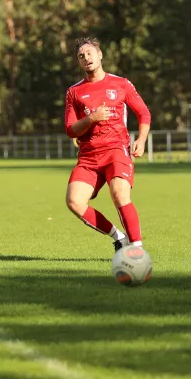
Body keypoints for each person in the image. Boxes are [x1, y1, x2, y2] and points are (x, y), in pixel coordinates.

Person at [65, 37, 151, 252]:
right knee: (74, 201)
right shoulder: (74, 92)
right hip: (88, 156)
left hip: (116, 150)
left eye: (90, 53)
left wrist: (141, 139)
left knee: (119, 193)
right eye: (81, 56)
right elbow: (70, 129)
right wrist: (91, 119)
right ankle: (118, 237)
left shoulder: (121, 83)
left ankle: (137, 249)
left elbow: (143, 113)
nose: (86, 58)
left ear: (100, 54)